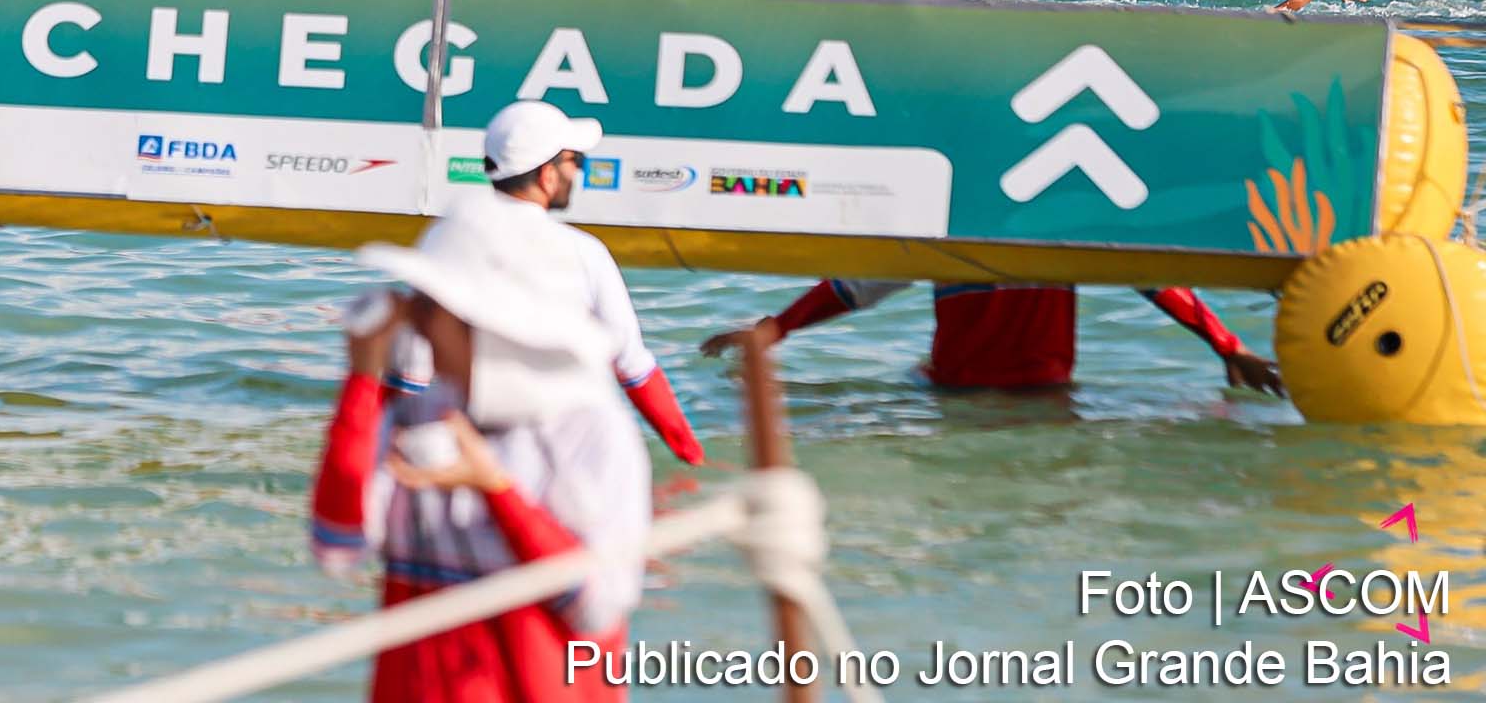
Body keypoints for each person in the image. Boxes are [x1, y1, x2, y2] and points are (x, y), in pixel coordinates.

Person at [313, 194, 649, 700]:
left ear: (482, 319)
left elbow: (597, 606)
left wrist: (495, 488)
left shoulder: (588, 428)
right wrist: (362, 380)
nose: (414, 320)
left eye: (428, 306)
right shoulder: (419, 414)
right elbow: (336, 545)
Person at [390, 101, 703, 465]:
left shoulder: (443, 239)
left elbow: (410, 369)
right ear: (547, 175)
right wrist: (691, 455)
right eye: (575, 160)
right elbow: (633, 368)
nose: (579, 171)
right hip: (551, 456)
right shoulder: (584, 253)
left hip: (459, 452)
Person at [700, 277, 1285, 395]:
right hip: (1048, 400)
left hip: (953, 396)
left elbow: (853, 289)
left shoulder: (949, 223)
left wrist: (770, 332)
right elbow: (1151, 280)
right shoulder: (1069, 222)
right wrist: (1228, 347)